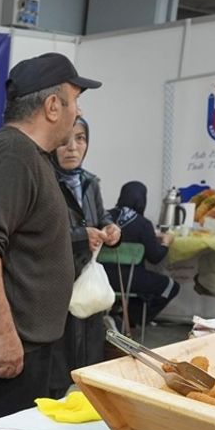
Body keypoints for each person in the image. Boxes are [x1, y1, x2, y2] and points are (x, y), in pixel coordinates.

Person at [0, 52, 100, 426]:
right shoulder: (12, 155)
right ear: (51, 106)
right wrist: (3, 336)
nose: (77, 111)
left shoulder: (29, 155)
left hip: (28, 339)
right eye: (75, 101)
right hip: (9, 344)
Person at [48, 116, 119, 398]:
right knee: (56, 361)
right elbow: (37, 232)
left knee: (89, 354)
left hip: (86, 283)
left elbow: (101, 219)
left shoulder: (90, 182)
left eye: (80, 139)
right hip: (55, 282)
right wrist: (80, 236)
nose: (72, 147)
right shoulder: (45, 180)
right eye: (64, 140)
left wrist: (111, 231)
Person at [104, 181, 180, 327]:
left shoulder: (104, 217)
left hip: (102, 277)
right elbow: (155, 258)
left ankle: (117, 315)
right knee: (171, 286)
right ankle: (130, 320)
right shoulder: (143, 223)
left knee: (140, 285)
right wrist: (166, 242)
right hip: (132, 280)